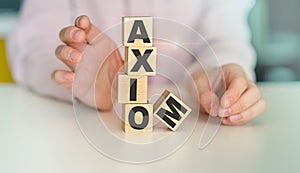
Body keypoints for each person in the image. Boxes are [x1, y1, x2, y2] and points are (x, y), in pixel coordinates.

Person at [7, 0, 266, 126]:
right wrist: (74, 74)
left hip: (191, 131)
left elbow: (224, 38)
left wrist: (218, 71)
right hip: (83, 135)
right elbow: (32, 46)